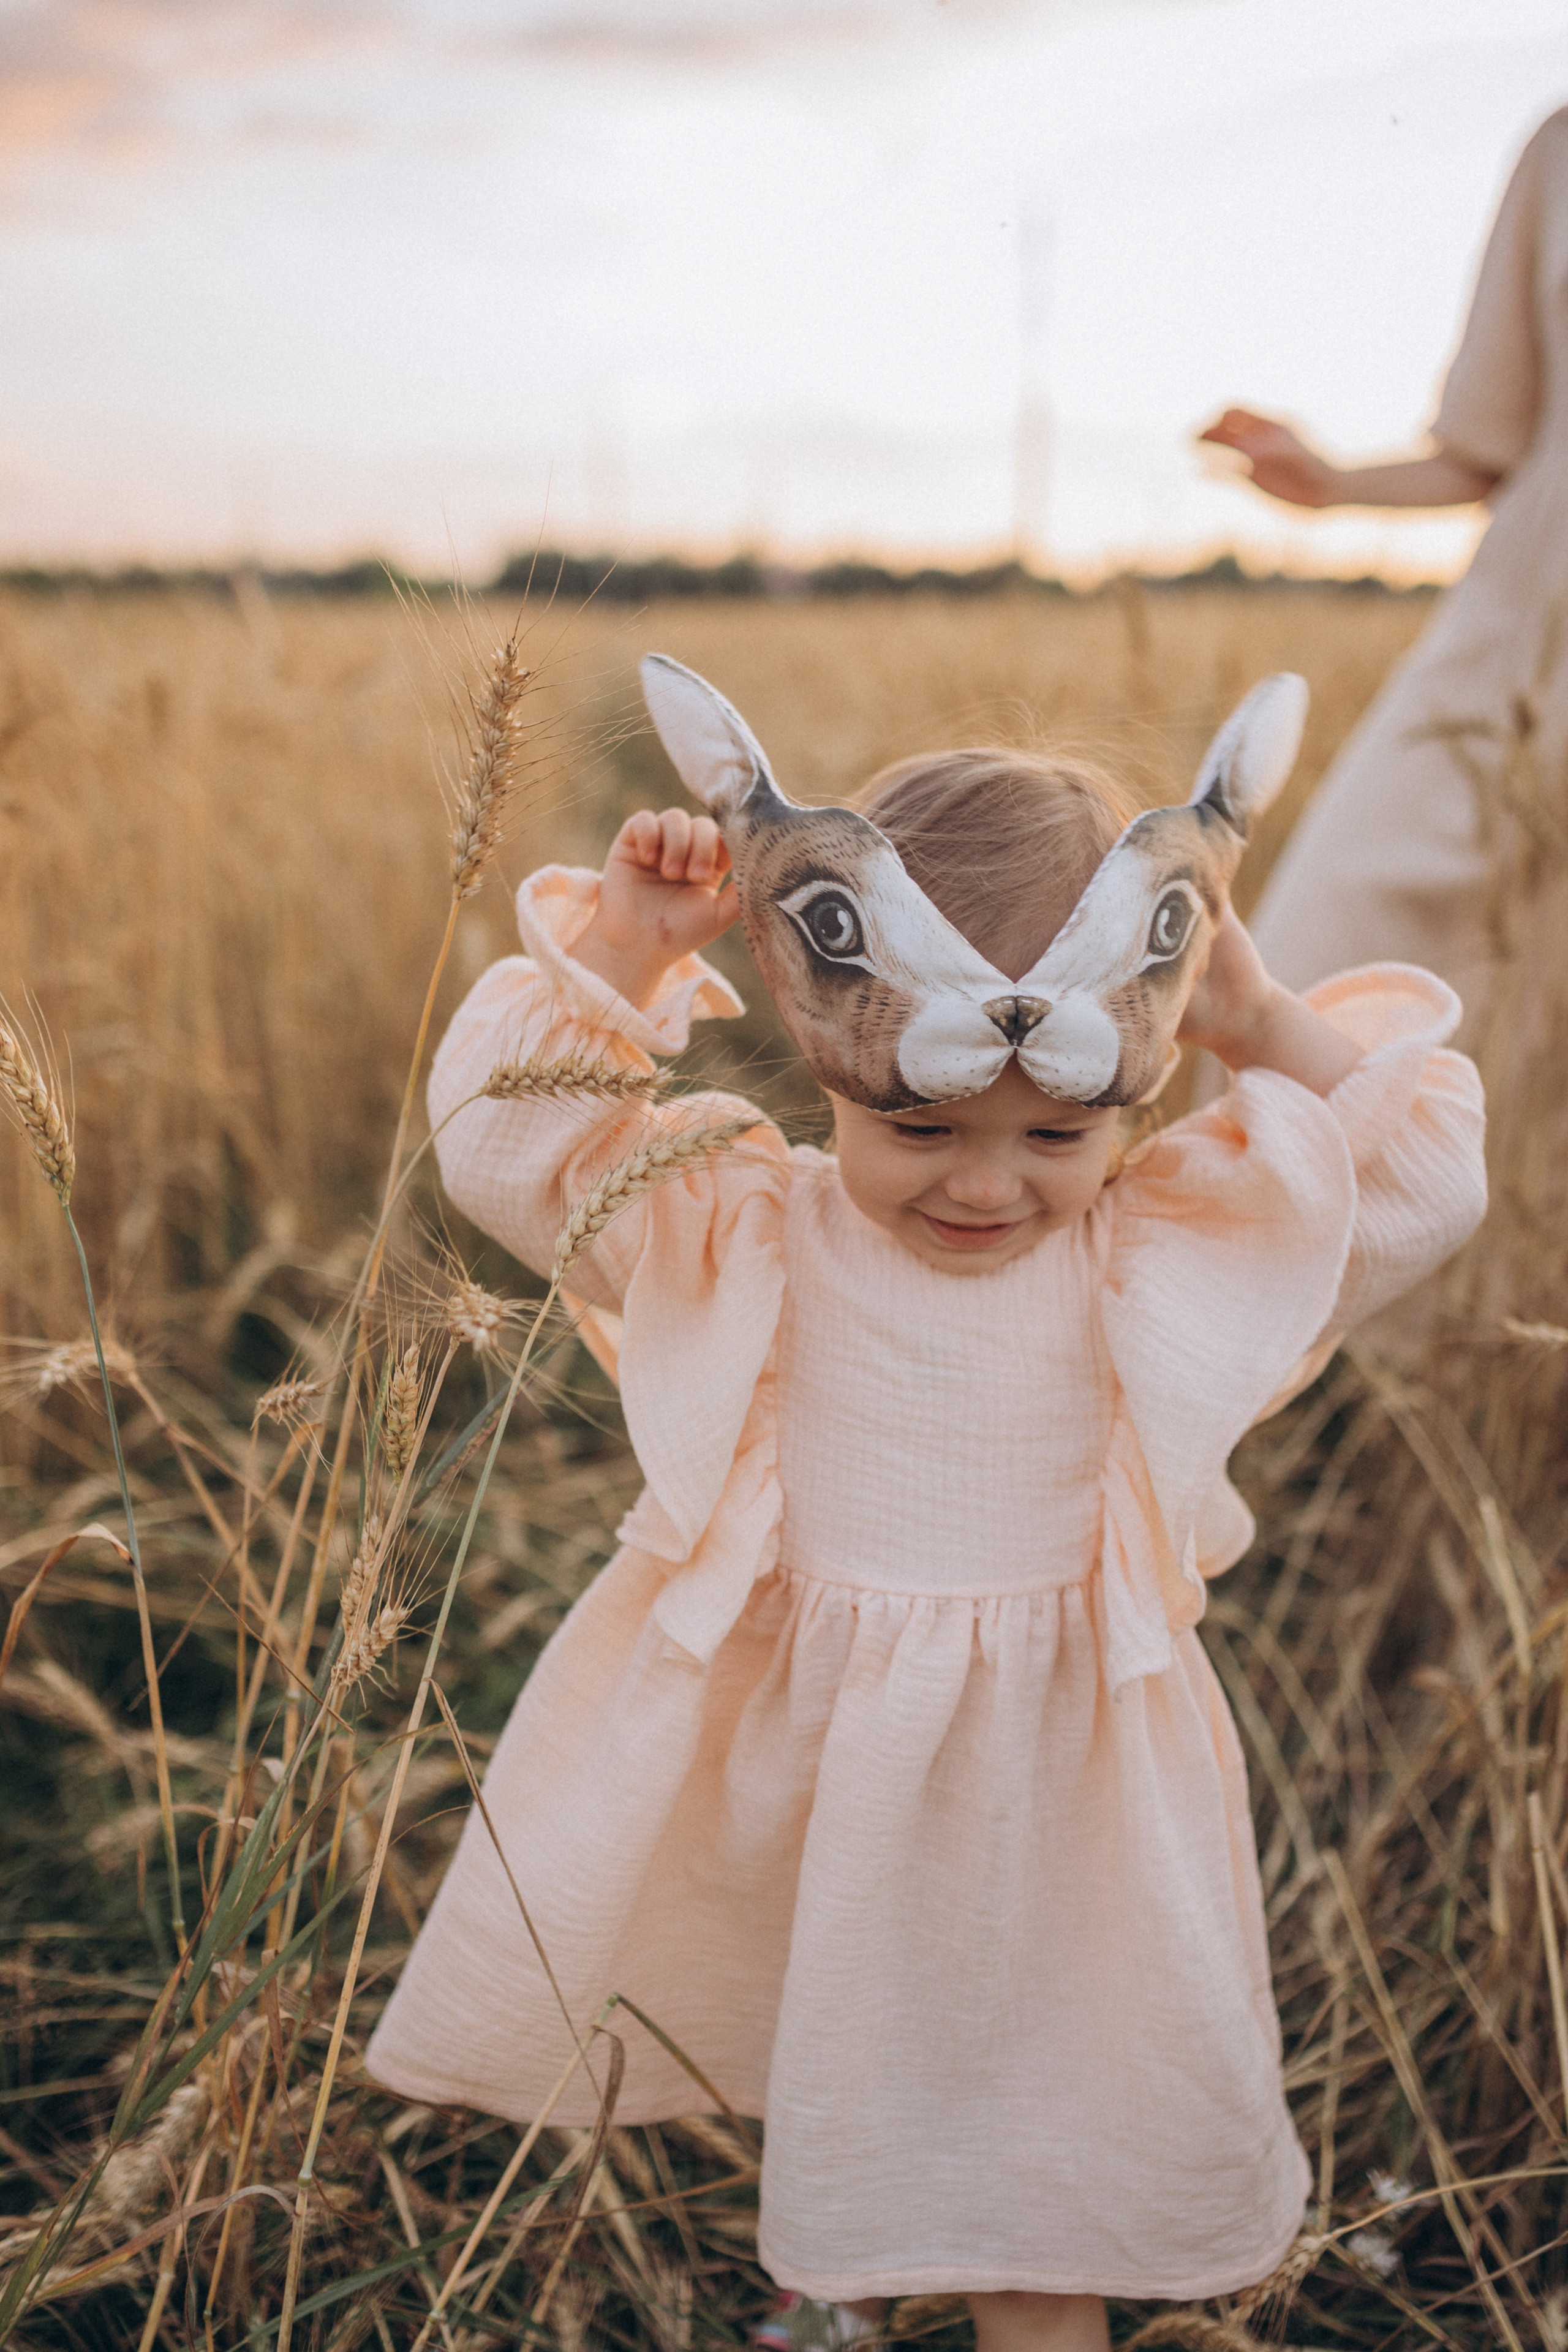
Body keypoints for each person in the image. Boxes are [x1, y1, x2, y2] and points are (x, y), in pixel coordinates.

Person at [366, 667, 1485, 2352]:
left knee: (1040, 2146)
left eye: (1059, 1130)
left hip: (1065, 1777)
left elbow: (1413, 1180)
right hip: (811, 1734)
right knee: (855, 2048)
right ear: (815, 1032)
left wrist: (1257, 1015)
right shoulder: (741, 1226)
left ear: (1144, 1081)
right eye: (918, 1122)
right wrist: (623, 954)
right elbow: (503, 1147)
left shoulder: (1162, 1253)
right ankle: (862, 2268)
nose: (986, 1181)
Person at [1200, 107, 1568, 1022]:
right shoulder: (1559, 148)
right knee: (1298, 987)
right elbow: (1492, 447)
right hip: (1517, 651)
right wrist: (1332, 481)